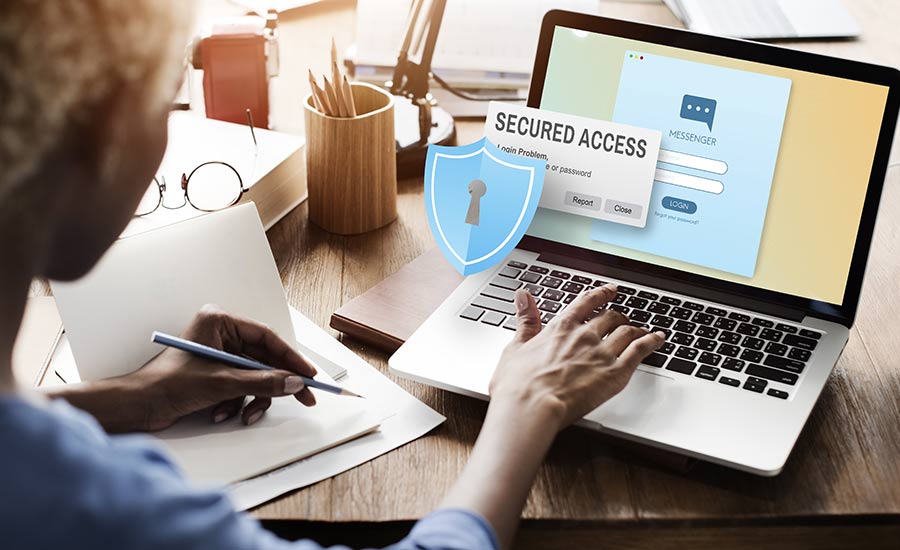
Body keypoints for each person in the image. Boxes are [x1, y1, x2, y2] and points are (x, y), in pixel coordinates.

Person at [0, 2, 665, 548]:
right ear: (97, 138)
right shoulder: (105, 508)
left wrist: (138, 397)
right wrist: (525, 408)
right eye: (165, 105)